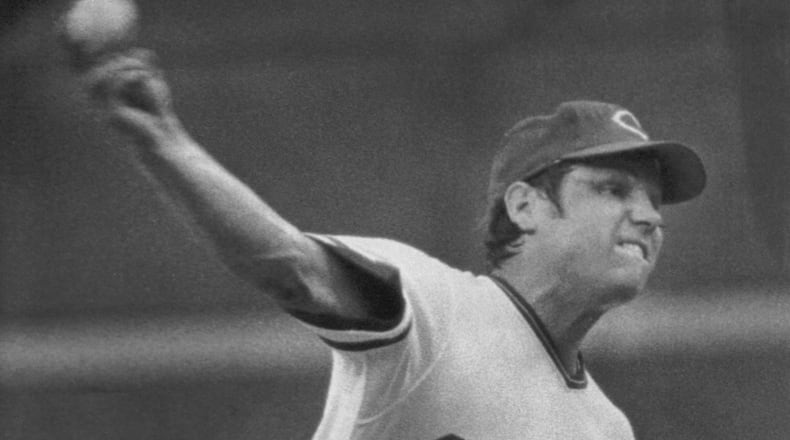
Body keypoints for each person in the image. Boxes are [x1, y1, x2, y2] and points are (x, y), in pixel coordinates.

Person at [83, 49, 705, 439]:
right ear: (526, 206)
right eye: (613, 189)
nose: (647, 215)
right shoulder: (436, 309)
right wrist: (165, 143)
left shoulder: (605, 428)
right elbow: (292, 269)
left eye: (653, 200)